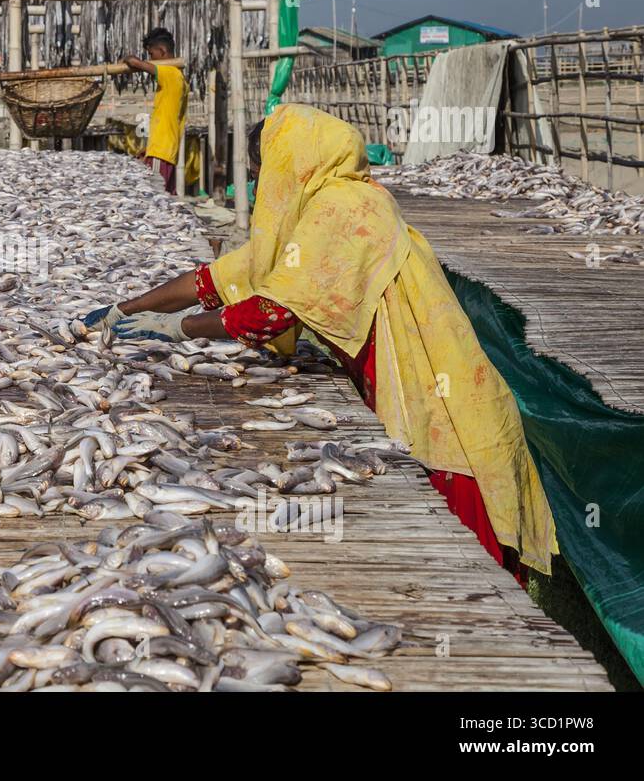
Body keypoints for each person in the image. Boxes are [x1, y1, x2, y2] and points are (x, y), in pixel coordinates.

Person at [82, 103, 556, 576]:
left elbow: (270, 312)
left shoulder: (346, 209)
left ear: (288, 162)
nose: (258, 187)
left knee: (462, 559)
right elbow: (224, 275)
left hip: (441, 402)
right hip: (421, 387)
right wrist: (134, 307)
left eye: (258, 174)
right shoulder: (323, 207)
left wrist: (176, 330)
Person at [123, 27, 188, 195]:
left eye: (151, 54)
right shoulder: (178, 78)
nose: (150, 59)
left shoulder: (170, 73)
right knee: (166, 198)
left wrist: (129, 59)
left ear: (162, 51)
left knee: (155, 196)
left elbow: (135, 63)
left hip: (162, 151)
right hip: (164, 150)